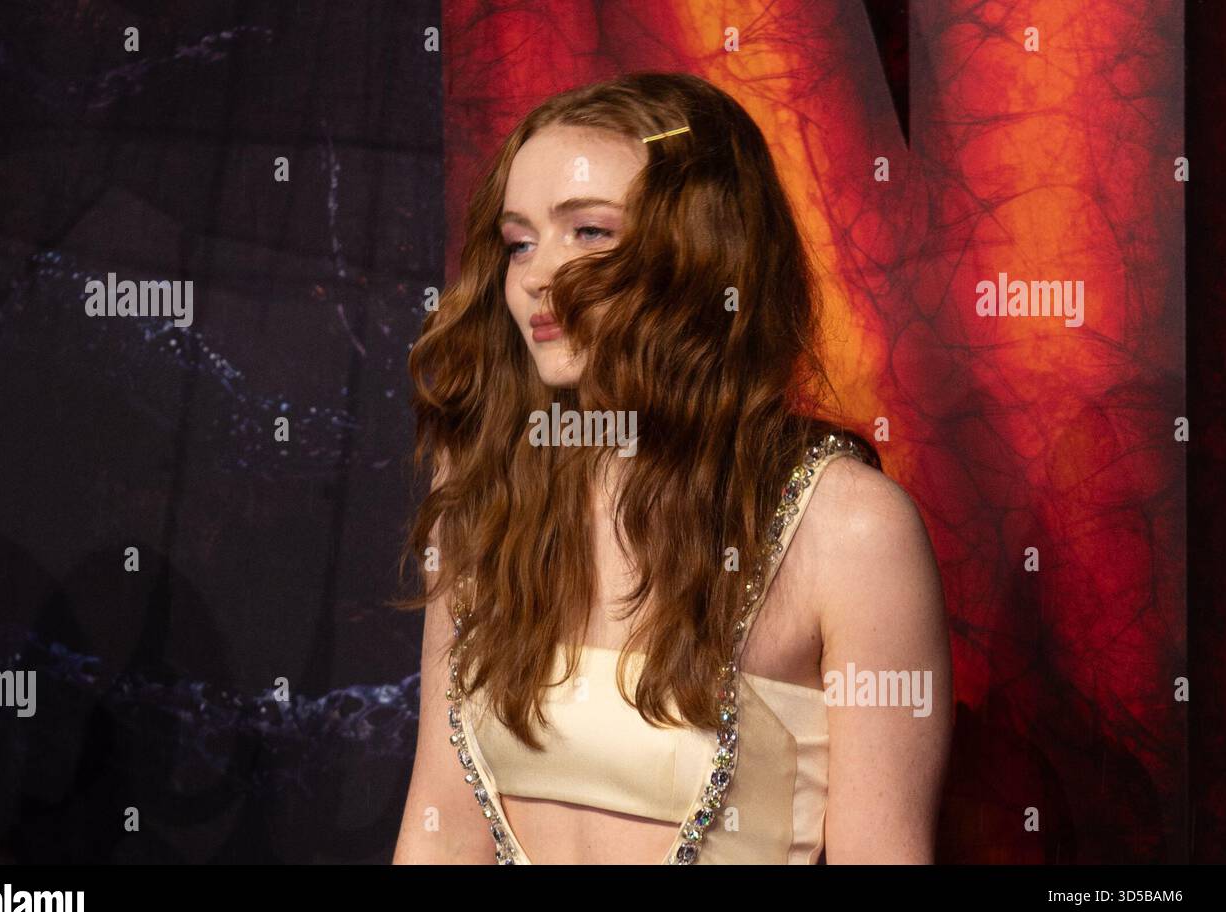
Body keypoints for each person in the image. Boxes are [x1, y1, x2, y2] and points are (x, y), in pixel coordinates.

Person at [391, 72, 951, 864]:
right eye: (519, 242)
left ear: (702, 252)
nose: (537, 278)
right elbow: (436, 829)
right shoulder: (484, 502)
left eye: (588, 232)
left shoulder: (847, 527)